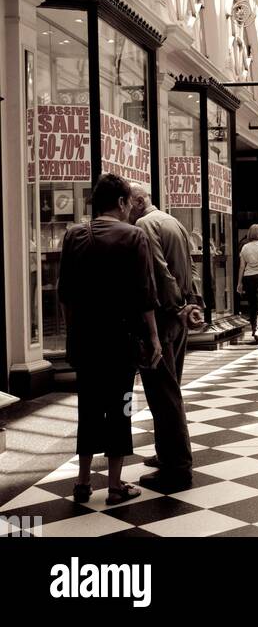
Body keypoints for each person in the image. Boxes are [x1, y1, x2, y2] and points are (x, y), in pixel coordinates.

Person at [58, 172, 160, 506]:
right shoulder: (133, 236)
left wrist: (73, 335)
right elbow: (144, 294)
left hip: (85, 340)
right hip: (120, 339)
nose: (132, 208)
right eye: (130, 202)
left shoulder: (73, 235)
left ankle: (83, 481)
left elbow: (66, 295)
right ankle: (115, 485)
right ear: (120, 202)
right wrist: (154, 338)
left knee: (87, 408)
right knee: (121, 408)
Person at [128, 184, 202, 493]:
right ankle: (167, 454)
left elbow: (159, 272)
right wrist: (192, 304)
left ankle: (177, 467)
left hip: (163, 317)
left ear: (139, 201)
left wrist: (176, 306)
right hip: (180, 316)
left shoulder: (145, 225)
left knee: (163, 393)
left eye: (127, 203)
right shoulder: (173, 222)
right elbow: (191, 266)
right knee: (170, 388)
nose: (124, 209)